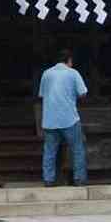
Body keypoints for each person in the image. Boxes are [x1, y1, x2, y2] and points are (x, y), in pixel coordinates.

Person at [38, 47, 88, 187]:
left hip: (50, 119)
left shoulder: (46, 73)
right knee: (77, 149)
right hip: (69, 118)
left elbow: (42, 94)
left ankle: (48, 179)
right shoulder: (73, 73)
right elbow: (83, 93)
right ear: (69, 61)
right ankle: (79, 179)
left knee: (50, 151)